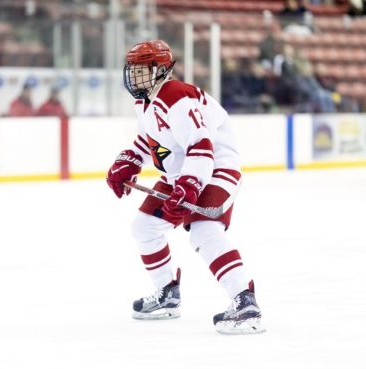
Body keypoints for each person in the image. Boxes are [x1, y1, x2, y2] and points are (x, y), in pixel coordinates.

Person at [105, 40, 265, 335]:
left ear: (161, 69)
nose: (134, 75)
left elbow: (201, 146)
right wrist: (130, 161)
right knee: (145, 227)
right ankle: (167, 293)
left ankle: (245, 302)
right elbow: (150, 141)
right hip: (183, 173)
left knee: (204, 229)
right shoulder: (145, 101)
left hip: (216, 168)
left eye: (142, 69)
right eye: (133, 68)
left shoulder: (177, 96)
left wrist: (189, 185)